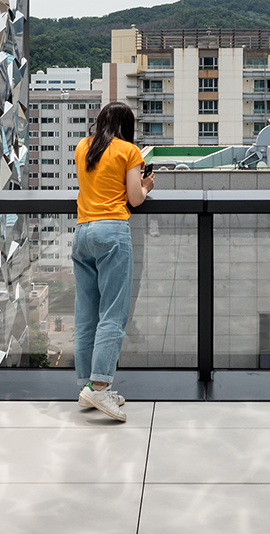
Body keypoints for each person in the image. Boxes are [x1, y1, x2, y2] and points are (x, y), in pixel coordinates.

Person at [72, 101, 153, 422]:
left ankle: (87, 385)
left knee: (86, 313)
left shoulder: (83, 147)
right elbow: (134, 198)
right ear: (126, 125)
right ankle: (100, 386)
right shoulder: (129, 151)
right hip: (112, 231)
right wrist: (145, 185)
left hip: (82, 232)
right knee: (113, 313)